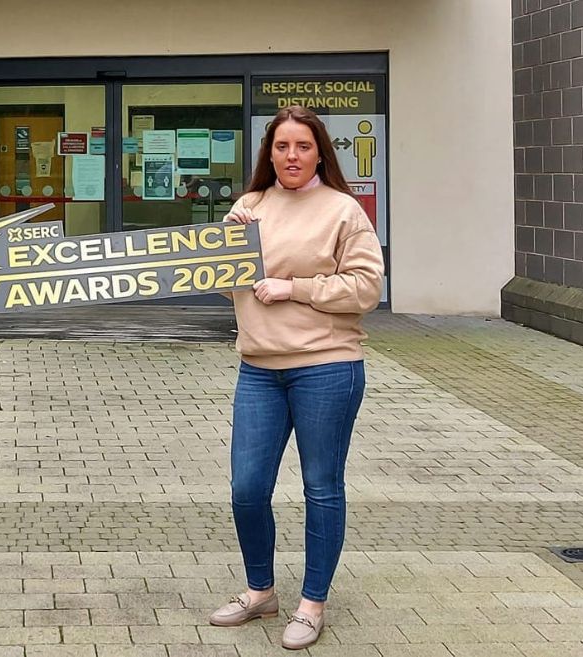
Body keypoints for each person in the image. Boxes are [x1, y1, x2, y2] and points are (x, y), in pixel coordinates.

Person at [208, 105, 384, 650]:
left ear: (319, 152)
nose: (292, 156)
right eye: (282, 147)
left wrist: (295, 286)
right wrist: (228, 246)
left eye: (303, 147)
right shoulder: (250, 206)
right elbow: (220, 285)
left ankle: (312, 604)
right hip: (259, 369)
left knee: (321, 489)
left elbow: (366, 288)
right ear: (269, 154)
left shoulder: (342, 211)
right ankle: (261, 591)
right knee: (247, 489)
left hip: (327, 368)